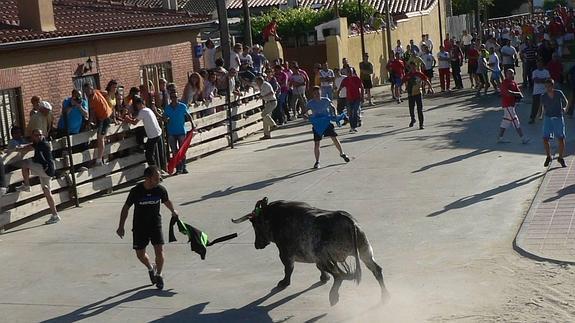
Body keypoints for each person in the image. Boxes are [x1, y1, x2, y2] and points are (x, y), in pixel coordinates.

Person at [116, 166, 180, 290]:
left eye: (159, 178)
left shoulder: (160, 190)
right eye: (156, 178)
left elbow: (166, 201)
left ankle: (159, 275)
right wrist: (121, 226)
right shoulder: (136, 191)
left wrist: (173, 211)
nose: (159, 180)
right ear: (148, 178)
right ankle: (151, 267)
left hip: (155, 224)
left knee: (159, 250)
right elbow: (126, 208)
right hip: (139, 226)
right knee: (140, 254)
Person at [15, 129, 60, 224]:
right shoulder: (39, 143)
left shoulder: (43, 144)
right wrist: (22, 146)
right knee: (47, 192)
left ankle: (27, 185)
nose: (39, 136)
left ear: (42, 135)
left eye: (40, 135)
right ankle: (55, 215)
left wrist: (17, 149)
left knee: (24, 163)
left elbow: (28, 148)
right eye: (36, 135)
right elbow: (30, 146)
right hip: (49, 170)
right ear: (33, 136)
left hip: (45, 169)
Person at [306, 86, 350, 169]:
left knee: (334, 138)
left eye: (318, 93)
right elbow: (307, 111)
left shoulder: (326, 100)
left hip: (326, 122)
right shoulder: (310, 103)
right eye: (315, 94)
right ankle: (317, 162)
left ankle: (342, 153)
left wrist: (335, 114)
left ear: (320, 92)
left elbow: (332, 107)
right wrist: (307, 115)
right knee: (317, 143)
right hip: (317, 125)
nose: (316, 95)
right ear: (313, 94)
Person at [124, 96, 166, 172]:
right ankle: (160, 169)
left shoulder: (142, 111)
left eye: (138, 105)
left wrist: (128, 119)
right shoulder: (148, 110)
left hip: (153, 136)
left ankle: (155, 171)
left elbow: (134, 122)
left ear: (141, 104)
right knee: (156, 153)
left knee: (149, 155)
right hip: (158, 133)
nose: (138, 107)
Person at [164, 86, 192, 174]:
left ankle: (184, 167)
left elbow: (188, 115)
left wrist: (192, 123)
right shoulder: (168, 108)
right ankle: (178, 168)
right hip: (171, 131)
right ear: (170, 98)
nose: (174, 99)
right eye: (172, 97)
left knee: (182, 150)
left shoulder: (182, 106)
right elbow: (164, 117)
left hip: (181, 131)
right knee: (174, 151)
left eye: (175, 97)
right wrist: (165, 119)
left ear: (177, 97)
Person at [540, 78, 568, 167]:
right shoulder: (543, 96)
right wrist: (540, 115)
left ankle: (560, 157)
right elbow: (542, 107)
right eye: (546, 86)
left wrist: (565, 108)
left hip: (558, 117)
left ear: (553, 86)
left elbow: (566, 102)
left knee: (561, 138)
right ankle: (548, 156)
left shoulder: (558, 93)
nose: (548, 88)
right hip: (548, 118)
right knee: (545, 138)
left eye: (550, 86)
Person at [498, 69, 530, 144]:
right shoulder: (504, 83)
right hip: (507, 105)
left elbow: (519, 93)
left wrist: (515, 93)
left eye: (512, 74)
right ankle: (523, 138)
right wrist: (516, 93)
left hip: (512, 105)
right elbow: (508, 93)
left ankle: (500, 137)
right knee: (515, 121)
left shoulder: (514, 83)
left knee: (505, 122)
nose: (510, 75)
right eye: (509, 74)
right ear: (506, 74)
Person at [84, 83, 113, 166]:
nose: (86, 93)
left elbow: (92, 114)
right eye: (85, 91)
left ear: (91, 89)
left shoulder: (92, 99)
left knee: (100, 138)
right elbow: (106, 93)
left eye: (87, 90)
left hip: (105, 118)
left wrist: (88, 124)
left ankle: (99, 159)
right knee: (100, 137)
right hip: (104, 117)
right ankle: (100, 158)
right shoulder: (96, 91)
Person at [401, 62, 433, 130]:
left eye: (413, 66)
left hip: (418, 93)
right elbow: (402, 82)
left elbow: (426, 80)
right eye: (411, 67)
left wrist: (431, 88)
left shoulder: (419, 74)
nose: (412, 68)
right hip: (410, 94)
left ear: (415, 67)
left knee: (419, 109)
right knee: (411, 109)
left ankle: (421, 124)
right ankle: (413, 119)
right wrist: (401, 88)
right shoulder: (408, 75)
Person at [338, 68, 363, 133]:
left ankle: (354, 126)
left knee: (355, 112)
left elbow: (362, 87)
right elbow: (340, 88)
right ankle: (352, 127)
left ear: (352, 72)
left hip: (357, 98)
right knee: (350, 113)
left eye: (350, 72)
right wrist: (338, 95)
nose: (349, 73)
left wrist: (362, 97)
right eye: (348, 72)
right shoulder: (345, 80)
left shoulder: (356, 79)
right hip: (349, 99)